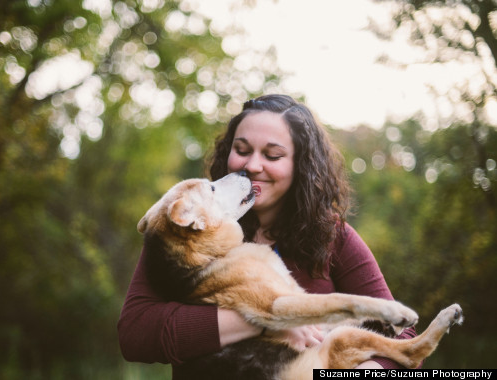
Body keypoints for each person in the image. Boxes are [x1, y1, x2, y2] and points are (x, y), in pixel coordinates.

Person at [118, 94, 417, 378]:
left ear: (301, 166)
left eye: (272, 155)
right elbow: (135, 334)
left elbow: (403, 332)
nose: (252, 166)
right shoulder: (187, 233)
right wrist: (265, 320)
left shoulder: (332, 236)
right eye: (242, 150)